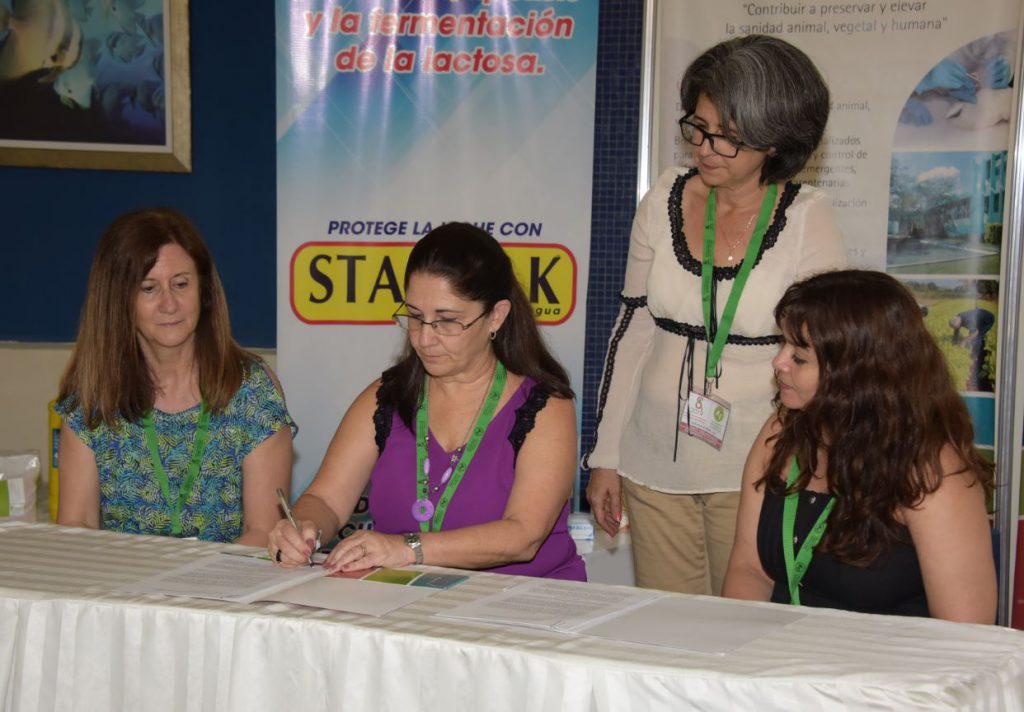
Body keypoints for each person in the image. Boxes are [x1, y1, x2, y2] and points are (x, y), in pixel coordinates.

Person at [584, 35, 846, 596]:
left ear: (775, 142)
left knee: (747, 632)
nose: (705, 148)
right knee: (669, 630)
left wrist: (822, 461)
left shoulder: (807, 218)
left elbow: (829, 356)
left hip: (762, 463)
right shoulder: (661, 198)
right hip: (653, 456)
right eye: (698, 127)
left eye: (728, 138)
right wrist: (605, 455)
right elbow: (631, 332)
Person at [269, 223, 585, 580]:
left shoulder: (545, 407)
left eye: (447, 321)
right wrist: (304, 527)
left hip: (523, 605)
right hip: (407, 598)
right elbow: (326, 499)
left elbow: (523, 536)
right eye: (416, 317)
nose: (424, 339)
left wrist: (406, 549)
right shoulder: (385, 398)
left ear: (496, 316)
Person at [723, 270, 996, 622]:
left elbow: (964, 631)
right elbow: (749, 572)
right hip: (782, 664)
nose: (779, 362)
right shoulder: (781, 433)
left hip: (888, 670)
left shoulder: (932, 470)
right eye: (783, 346)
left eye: (799, 357)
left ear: (856, 374)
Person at [56, 207, 295, 545]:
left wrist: (196, 588)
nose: (170, 304)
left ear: (205, 290)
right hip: (120, 591)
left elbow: (263, 532)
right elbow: (75, 527)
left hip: (225, 591)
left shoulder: (251, 390)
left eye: (181, 284)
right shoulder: (91, 398)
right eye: (149, 288)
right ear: (117, 300)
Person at [950, 307, 996, 391]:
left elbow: (975, 333)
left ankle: (975, 356)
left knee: (978, 337)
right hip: (979, 317)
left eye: (958, 327)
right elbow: (956, 330)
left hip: (988, 320)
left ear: (960, 323)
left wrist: (964, 341)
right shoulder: (958, 317)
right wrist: (954, 341)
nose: (958, 329)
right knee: (972, 334)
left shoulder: (969, 320)